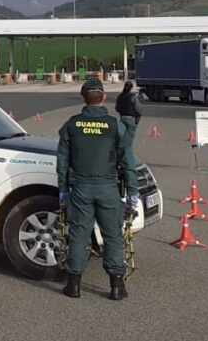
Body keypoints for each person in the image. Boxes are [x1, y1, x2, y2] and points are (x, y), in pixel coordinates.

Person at [55, 78, 140, 301]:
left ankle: (73, 286)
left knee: (78, 236)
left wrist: (62, 190)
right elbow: (128, 161)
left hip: (80, 189)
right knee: (112, 236)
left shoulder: (72, 125)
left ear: (83, 98)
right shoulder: (115, 126)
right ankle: (116, 287)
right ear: (103, 97)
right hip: (108, 189)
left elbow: (62, 161)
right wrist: (132, 193)